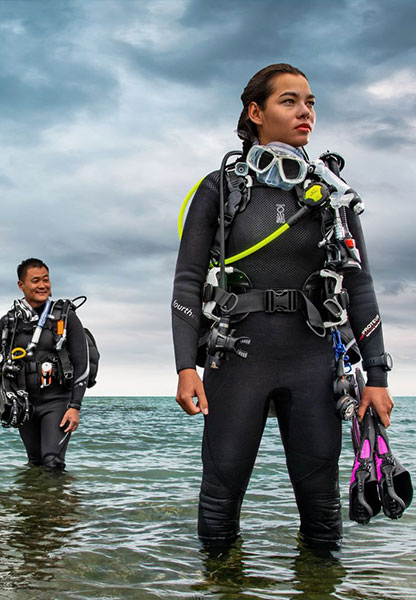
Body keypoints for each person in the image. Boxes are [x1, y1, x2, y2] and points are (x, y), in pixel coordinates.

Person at [172, 63, 393, 548]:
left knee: (322, 509)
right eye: (289, 101)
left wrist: (377, 376)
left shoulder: (333, 195)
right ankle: (219, 580)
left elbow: (360, 286)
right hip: (238, 359)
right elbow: (187, 281)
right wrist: (186, 367)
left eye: (310, 102)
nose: (304, 111)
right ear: (256, 112)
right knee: (219, 502)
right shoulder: (220, 188)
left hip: (313, 359)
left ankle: (319, 582)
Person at [0, 258, 89, 469]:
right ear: (21, 285)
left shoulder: (66, 317)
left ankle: (60, 492)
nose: (42, 285)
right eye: (35, 281)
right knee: (35, 463)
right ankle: (36, 493)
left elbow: (82, 364)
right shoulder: (9, 322)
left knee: (53, 462)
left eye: (46, 280)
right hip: (24, 403)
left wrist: (75, 407)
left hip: (57, 402)